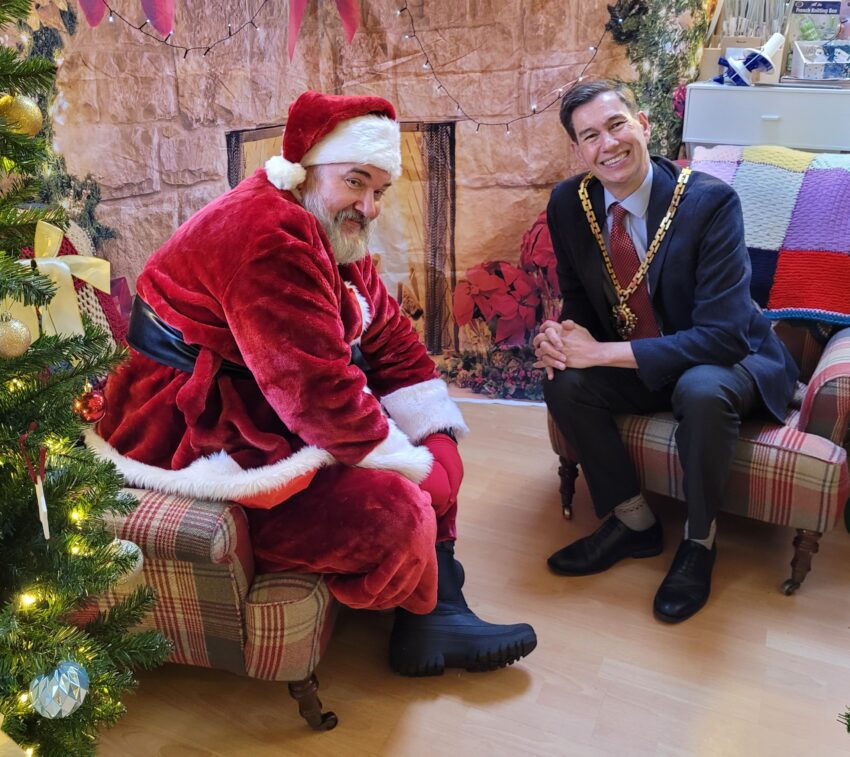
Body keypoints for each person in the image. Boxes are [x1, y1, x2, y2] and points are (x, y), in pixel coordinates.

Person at [87, 90, 536, 675]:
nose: (370, 207)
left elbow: (391, 339)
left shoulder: (333, 232)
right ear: (303, 171)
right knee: (394, 510)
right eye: (356, 182)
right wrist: (414, 467)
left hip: (264, 402)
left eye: (380, 190)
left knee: (423, 454)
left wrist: (435, 430)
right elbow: (318, 395)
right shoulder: (267, 234)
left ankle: (437, 610)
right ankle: (430, 607)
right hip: (192, 423)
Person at [535, 80, 798, 623]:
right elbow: (580, 298)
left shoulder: (709, 202)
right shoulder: (569, 203)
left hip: (732, 357)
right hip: (646, 354)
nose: (606, 144)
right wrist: (563, 337)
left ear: (645, 125)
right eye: (589, 136)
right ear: (578, 151)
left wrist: (601, 353)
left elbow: (723, 336)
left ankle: (699, 541)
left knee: (699, 389)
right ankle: (633, 523)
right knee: (563, 376)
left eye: (616, 125)